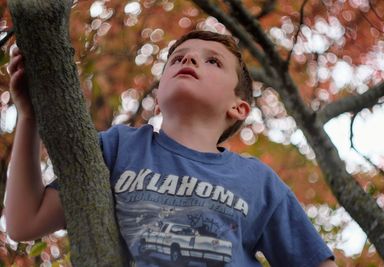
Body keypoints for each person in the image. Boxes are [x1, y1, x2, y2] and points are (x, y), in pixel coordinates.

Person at [5, 30, 337, 267]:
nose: (190, 58)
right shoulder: (119, 147)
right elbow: (25, 222)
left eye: (213, 62)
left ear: (238, 108)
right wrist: (29, 117)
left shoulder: (258, 181)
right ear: (161, 86)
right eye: (177, 58)